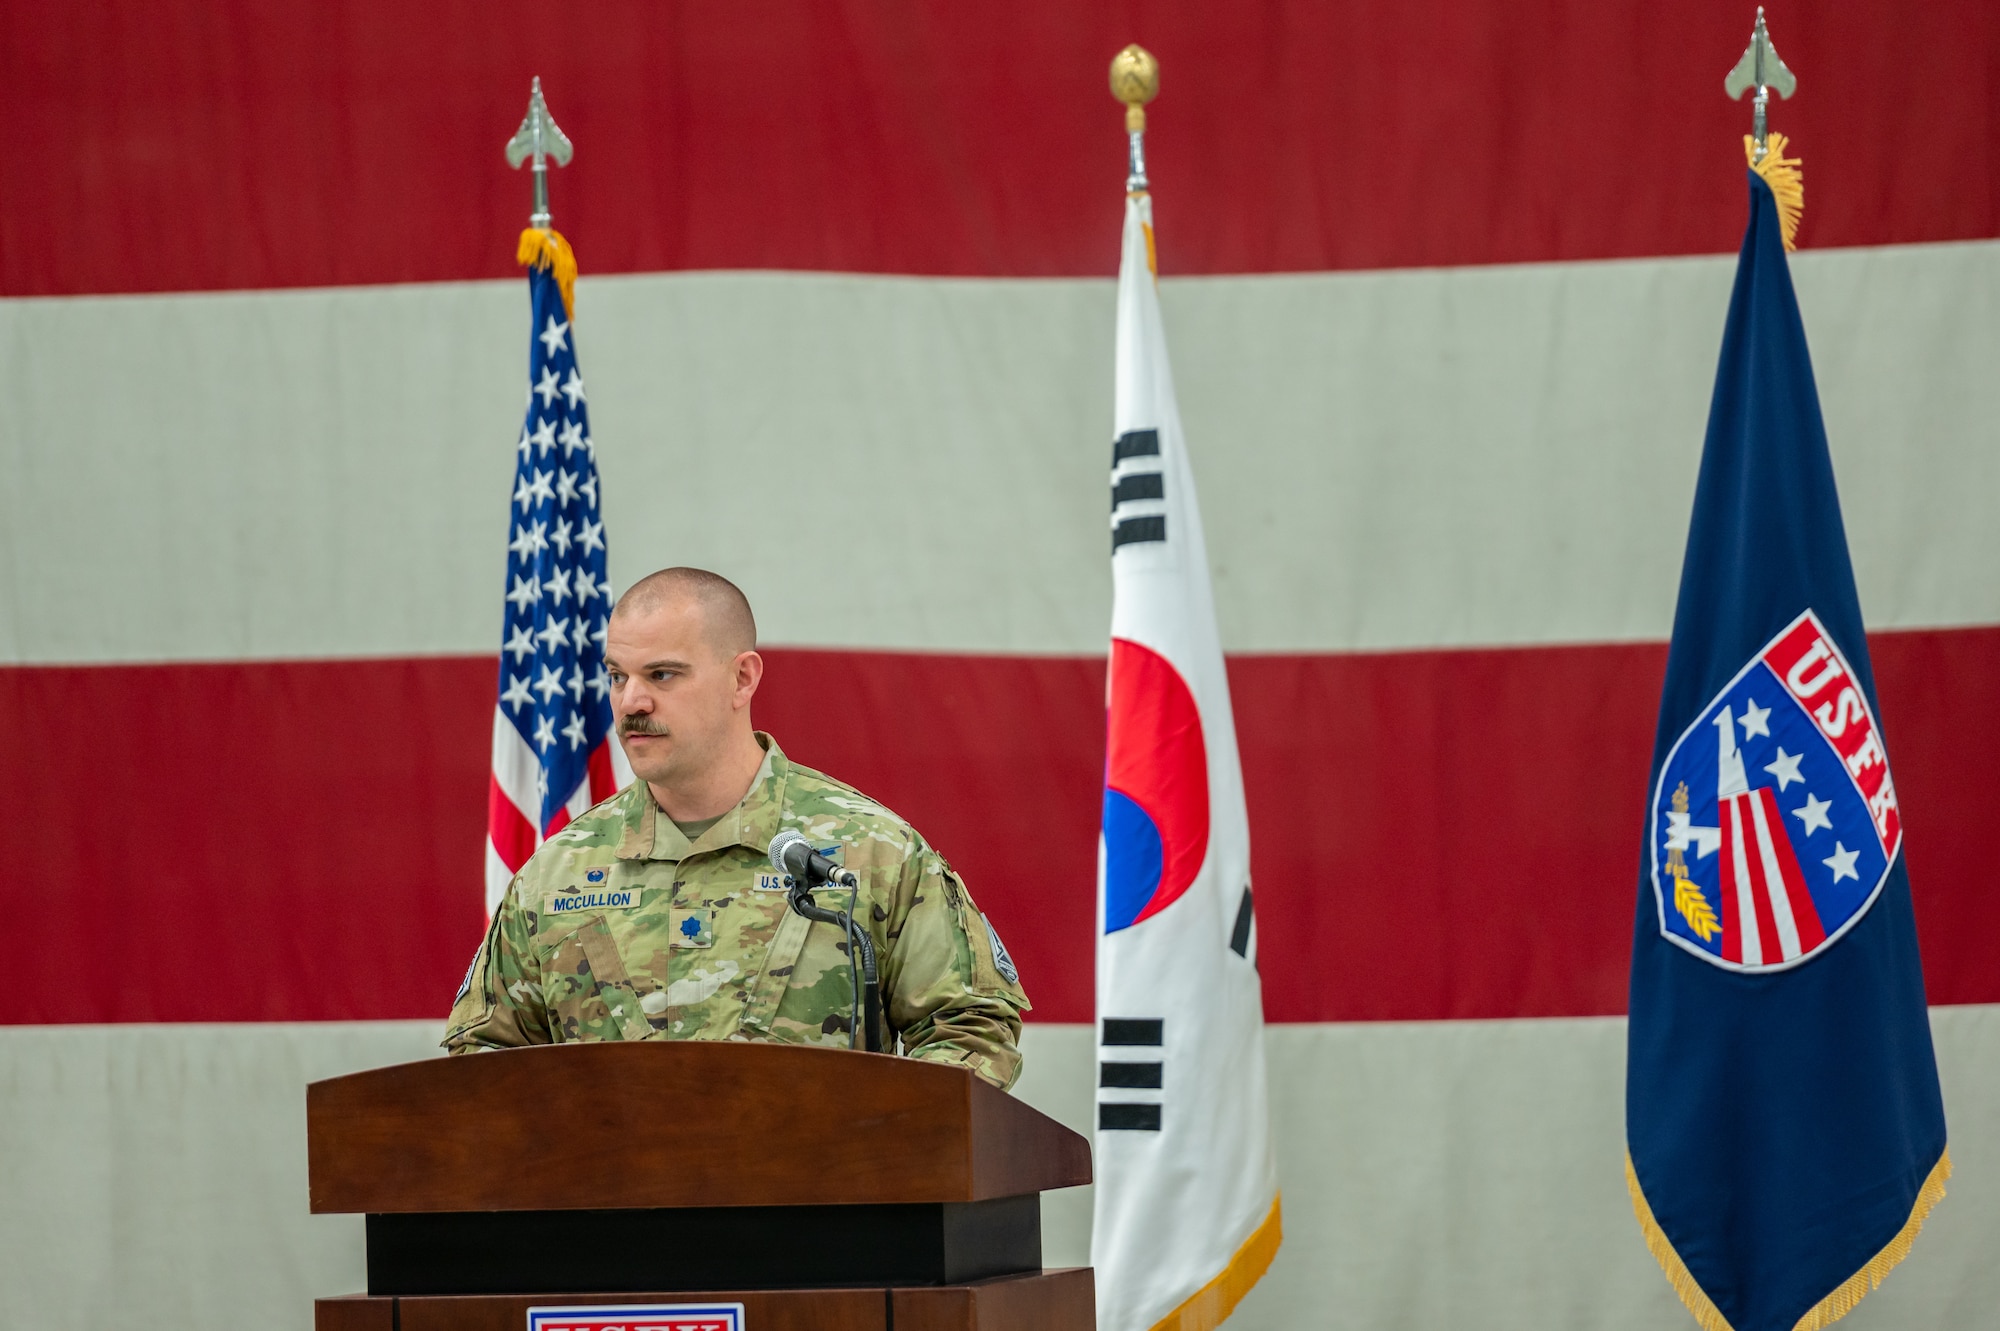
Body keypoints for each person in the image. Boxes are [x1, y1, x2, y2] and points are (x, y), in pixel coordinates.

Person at [443, 567, 1030, 1089]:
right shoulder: (557, 873)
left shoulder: (868, 851)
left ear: (742, 678)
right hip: (613, 1208)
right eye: (617, 676)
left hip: (821, 1204)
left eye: (663, 674)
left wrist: (873, 1155)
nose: (631, 702)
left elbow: (970, 1031)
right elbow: (483, 1063)